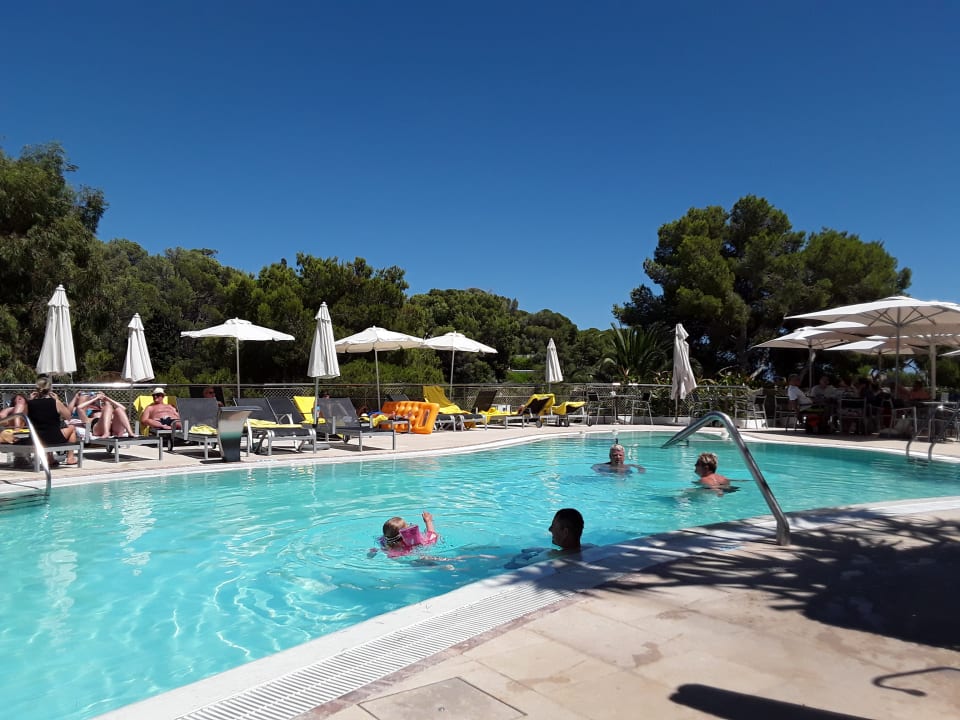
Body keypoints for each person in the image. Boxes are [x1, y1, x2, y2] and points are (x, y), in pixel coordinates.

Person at [23, 376, 78, 466]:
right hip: (54, 438)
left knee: (45, 432)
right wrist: (58, 400)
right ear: (49, 389)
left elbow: (23, 418)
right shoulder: (55, 402)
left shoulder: (29, 404)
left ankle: (50, 459)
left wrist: (30, 400)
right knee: (72, 428)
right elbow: (68, 416)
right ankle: (70, 458)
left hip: (37, 439)